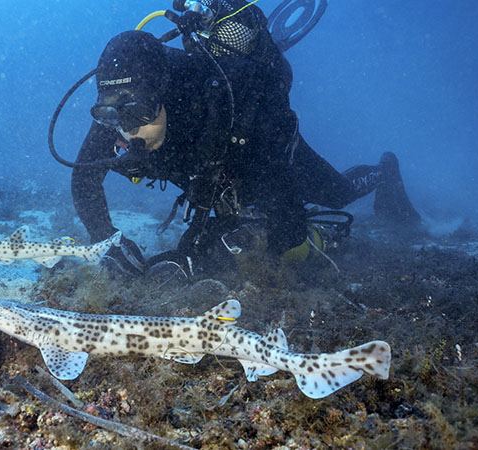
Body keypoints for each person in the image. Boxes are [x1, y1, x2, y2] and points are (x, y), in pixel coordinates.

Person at [71, 2, 421, 278]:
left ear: (165, 94)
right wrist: (106, 241)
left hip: (259, 152)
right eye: (111, 116)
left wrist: (205, 243)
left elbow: (287, 223)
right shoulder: (122, 104)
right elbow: (84, 177)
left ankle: (384, 171)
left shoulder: (219, 100)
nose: (127, 131)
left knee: (333, 198)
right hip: (210, 166)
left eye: (139, 114)